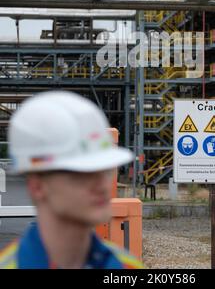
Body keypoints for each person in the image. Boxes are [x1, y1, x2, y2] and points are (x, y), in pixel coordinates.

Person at [0, 91, 143, 269]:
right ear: (37, 186)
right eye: (82, 173)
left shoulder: (127, 266)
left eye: (104, 170)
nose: (102, 185)